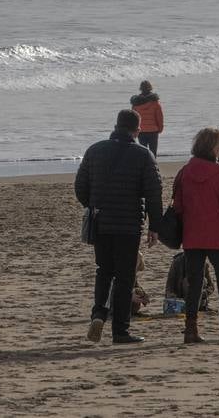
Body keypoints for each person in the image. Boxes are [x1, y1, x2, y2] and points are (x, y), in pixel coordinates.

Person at [74, 109, 162, 344]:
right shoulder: (144, 155)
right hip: (129, 224)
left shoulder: (95, 150)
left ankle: (99, 314)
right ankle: (120, 331)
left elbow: (80, 187)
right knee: (124, 277)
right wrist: (155, 225)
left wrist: (93, 204)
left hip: (101, 221)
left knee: (103, 271)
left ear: (116, 125)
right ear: (137, 130)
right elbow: (154, 193)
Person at [172, 127, 219, 343]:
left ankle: (191, 329)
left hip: (193, 234)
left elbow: (178, 205)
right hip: (216, 234)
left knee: (194, 283)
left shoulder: (186, 171)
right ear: (212, 147)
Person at [130, 80, 164, 155]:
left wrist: (133, 130)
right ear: (150, 88)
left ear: (141, 88)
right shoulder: (155, 102)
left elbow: (133, 118)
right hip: (153, 131)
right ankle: (153, 166)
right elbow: (160, 117)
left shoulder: (135, 103)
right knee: (153, 152)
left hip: (141, 130)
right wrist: (160, 128)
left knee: (143, 152)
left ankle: (143, 166)